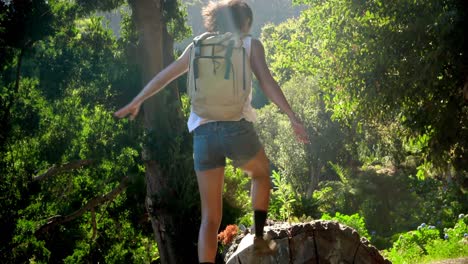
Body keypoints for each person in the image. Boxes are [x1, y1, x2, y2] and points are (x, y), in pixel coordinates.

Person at [114, 1, 309, 263]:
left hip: (203, 136)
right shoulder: (249, 44)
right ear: (246, 23)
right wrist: (292, 116)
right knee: (261, 173)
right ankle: (260, 237)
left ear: (214, 21)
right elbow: (267, 82)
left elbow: (164, 76)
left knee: (210, 218)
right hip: (236, 129)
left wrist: (137, 99)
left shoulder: (197, 46)